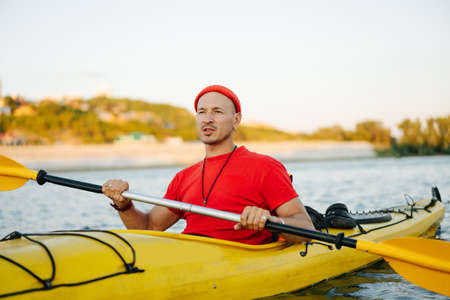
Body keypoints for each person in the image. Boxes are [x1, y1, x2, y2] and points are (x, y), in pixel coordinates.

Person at [103, 85, 315, 244]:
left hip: (242, 264)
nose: (207, 119)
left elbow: (306, 228)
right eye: (202, 112)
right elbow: (150, 226)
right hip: (193, 260)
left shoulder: (265, 168)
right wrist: (124, 205)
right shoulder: (184, 177)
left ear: (236, 119)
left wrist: (270, 220)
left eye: (217, 112)